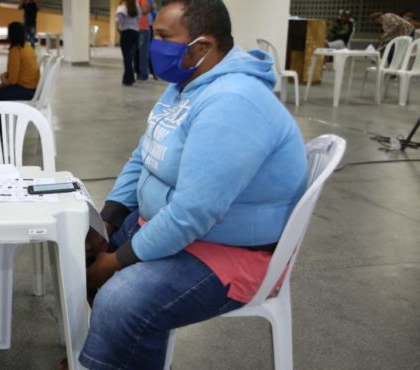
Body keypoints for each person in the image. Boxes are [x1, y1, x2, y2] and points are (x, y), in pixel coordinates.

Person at [72, 1, 308, 369]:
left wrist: (115, 262)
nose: (153, 44)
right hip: (177, 227)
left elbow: (194, 212)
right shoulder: (187, 84)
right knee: (79, 251)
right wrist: (109, 220)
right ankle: (106, 353)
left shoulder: (233, 102)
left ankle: (106, 356)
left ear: (202, 47)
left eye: (164, 37)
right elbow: (144, 154)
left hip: (231, 251)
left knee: (123, 298)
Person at [0, 22, 40, 101]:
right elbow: (16, 72)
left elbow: (12, 81)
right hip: (33, 89)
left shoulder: (15, 50)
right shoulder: (27, 47)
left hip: (25, 90)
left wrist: (2, 77)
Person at [116, 0, 141, 86]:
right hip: (136, 32)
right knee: (130, 56)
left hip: (126, 32)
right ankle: (130, 77)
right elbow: (139, 18)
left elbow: (118, 20)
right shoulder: (137, 6)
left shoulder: (122, 7)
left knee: (126, 56)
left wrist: (119, 29)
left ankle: (128, 79)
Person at [135, 0, 153, 81]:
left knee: (137, 52)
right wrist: (152, 7)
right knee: (144, 53)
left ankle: (137, 73)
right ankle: (144, 74)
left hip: (135, 27)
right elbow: (144, 10)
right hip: (143, 27)